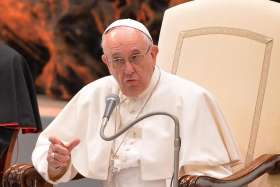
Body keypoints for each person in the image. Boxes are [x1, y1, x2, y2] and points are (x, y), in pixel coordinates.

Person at [32, 19, 241, 187]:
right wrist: (57, 164)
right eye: (118, 60)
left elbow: (210, 176)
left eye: (135, 57)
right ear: (106, 62)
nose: (128, 69)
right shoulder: (95, 94)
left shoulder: (190, 98)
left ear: (153, 54)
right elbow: (50, 155)